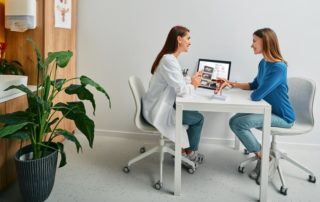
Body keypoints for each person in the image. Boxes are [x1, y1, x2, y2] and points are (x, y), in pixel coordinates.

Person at [215, 28, 295, 183]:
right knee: (234, 121)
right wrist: (229, 83)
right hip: (268, 111)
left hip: (283, 116)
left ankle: (265, 159)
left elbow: (257, 95)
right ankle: (264, 156)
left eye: (254, 41)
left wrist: (255, 90)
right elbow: (254, 85)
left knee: (239, 123)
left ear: (265, 42)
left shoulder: (279, 67)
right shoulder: (263, 63)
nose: (251, 45)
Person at [142, 25, 205, 165]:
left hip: (158, 103)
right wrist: (193, 85)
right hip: (158, 109)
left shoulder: (169, 59)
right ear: (179, 39)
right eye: (188, 38)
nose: (190, 42)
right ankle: (189, 153)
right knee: (198, 118)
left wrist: (191, 79)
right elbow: (181, 90)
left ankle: (184, 150)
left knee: (193, 114)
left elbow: (176, 82)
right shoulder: (169, 60)